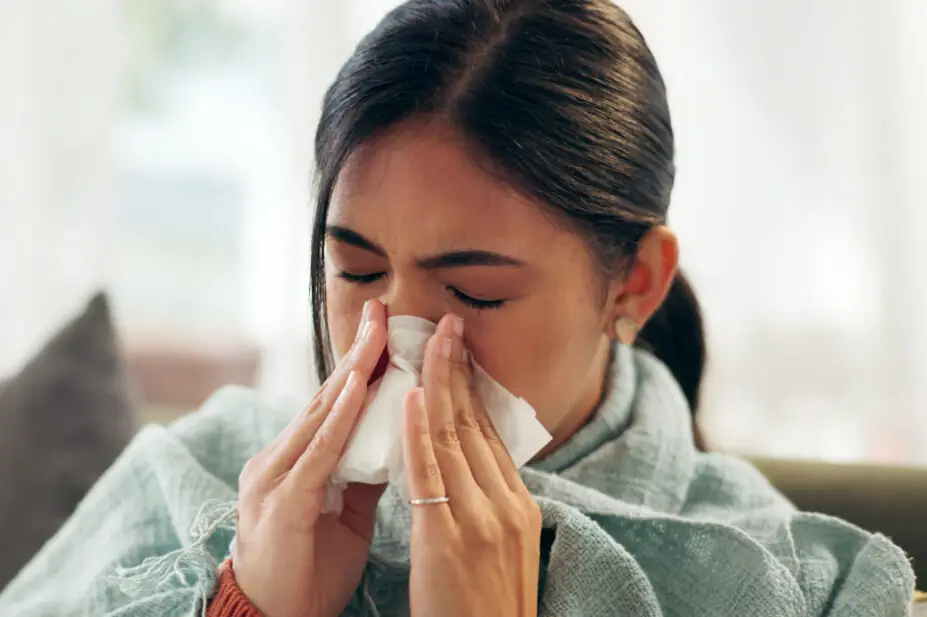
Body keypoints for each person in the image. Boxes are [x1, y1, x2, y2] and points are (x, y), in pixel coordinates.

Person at [0, 0, 914, 616]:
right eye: (355, 271)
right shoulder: (202, 472)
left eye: (475, 290)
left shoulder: (788, 580)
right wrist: (249, 599)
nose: (388, 339)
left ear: (633, 283)